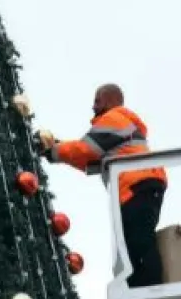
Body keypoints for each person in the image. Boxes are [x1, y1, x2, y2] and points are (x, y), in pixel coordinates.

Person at [42, 84, 167, 288]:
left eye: (97, 100)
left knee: (137, 240)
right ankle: (140, 285)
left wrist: (52, 151)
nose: (93, 106)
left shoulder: (113, 118)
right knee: (136, 239)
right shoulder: (122, 124)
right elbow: (90, 161)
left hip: (136, 185)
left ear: (109, 100)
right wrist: (57, 147)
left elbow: (85, 150)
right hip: (144, 184)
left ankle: (147, 288)